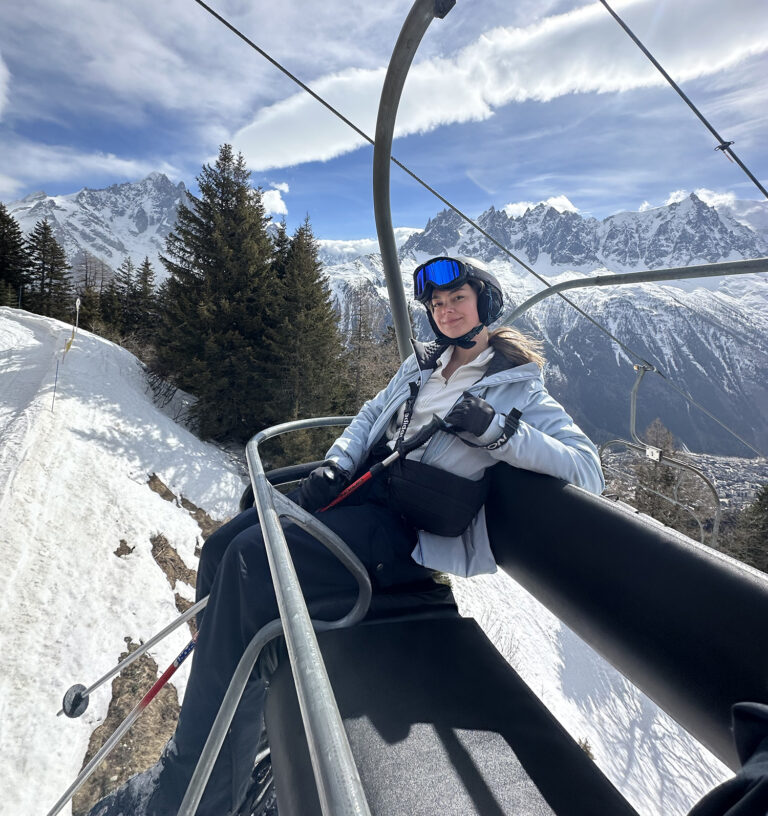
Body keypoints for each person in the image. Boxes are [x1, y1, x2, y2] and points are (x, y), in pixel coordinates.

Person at [87, 255, 603, 816]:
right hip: (365, 491)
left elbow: (587, 472)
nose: (446, 311)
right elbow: (370, 414)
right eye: (436, 303)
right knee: (221, 546)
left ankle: (194, 792)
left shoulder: (522, 393)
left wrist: (499, 433)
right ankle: (233, 729)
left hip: (406, 532)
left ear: (487, 303)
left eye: (458, 298)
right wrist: (335, 464)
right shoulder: (425, 364)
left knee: (249, 561)